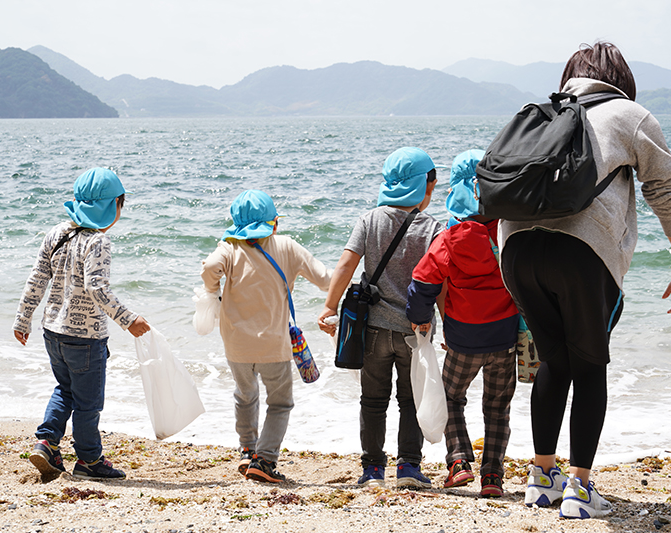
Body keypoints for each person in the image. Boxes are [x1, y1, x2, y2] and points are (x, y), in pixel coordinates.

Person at [498, 42, 671, 519]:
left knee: (554, 361)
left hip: (515, 250)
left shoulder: (540, 112)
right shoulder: (630, 115)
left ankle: (542, 480)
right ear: (621, 79)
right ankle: (580, 490)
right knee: (589, 366)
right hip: (582, 253)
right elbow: (664, 189)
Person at [13, 167, 151, 481]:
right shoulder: (98, 241)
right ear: (112, 206)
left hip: (53, 332)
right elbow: (97, 288)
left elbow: (37, 279)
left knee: (65, 390)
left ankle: (47, 442)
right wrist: (128, 319)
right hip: (86, 339)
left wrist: (23, 318)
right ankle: (89, 460)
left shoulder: (56, 233)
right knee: (88, 403)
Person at [318, 147, 443, 489]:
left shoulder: (369, 220)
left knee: (373, 401)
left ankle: (372, 469)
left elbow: (346, 264)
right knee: (410, 400)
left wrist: (329, 307)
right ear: (424, 184)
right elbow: (441, 283)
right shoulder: (433, 228)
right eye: (432, 183)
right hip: (415, 332)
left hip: (372, 328)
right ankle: (408, 467)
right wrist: (450, 324)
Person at [406, 149, 520, 498]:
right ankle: (492, 476)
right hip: (505, 337)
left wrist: (420, 319)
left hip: (463, 339)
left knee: (451, 397)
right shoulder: (509, 232)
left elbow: (422, 283)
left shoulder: (449, 238)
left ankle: (458, 461)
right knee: (497, 408)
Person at [201, 190, 332, 483]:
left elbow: (210, 268)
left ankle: (248, 450)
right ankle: (265, 459)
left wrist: (212, 291)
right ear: (273, 222)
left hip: (236, 344)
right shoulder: (287, 246)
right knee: (280, 403)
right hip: (274, 344)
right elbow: (325, 280)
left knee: (245, 395)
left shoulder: (229, 247)